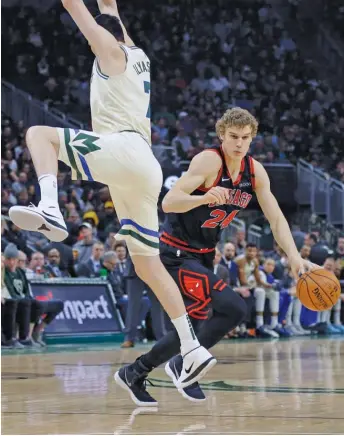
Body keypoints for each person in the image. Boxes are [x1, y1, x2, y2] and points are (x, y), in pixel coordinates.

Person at [8, 0, 214, 394]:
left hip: (123, 152)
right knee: (149, 267)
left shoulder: (107, 48)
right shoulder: (139, 55)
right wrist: (109, 13)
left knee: (38, 134)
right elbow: (109, 6)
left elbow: (76, 6)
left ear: (102, 37)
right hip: (145, 167)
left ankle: (50, 207)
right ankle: (190, 347)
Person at [118, 107, 318, 405]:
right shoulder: (209, 161)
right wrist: (203, 197)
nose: (239, 143)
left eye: (246, 138)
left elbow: (276, 218)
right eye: (234, 136)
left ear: (253, 139)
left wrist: (294, 256)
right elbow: (169, 202)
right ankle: (183, 365)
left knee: (193, 331)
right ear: (221, 135)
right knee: (235, 308)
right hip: (175, 254)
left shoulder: (254, 171)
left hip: (203, 256)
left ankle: (135, 371)